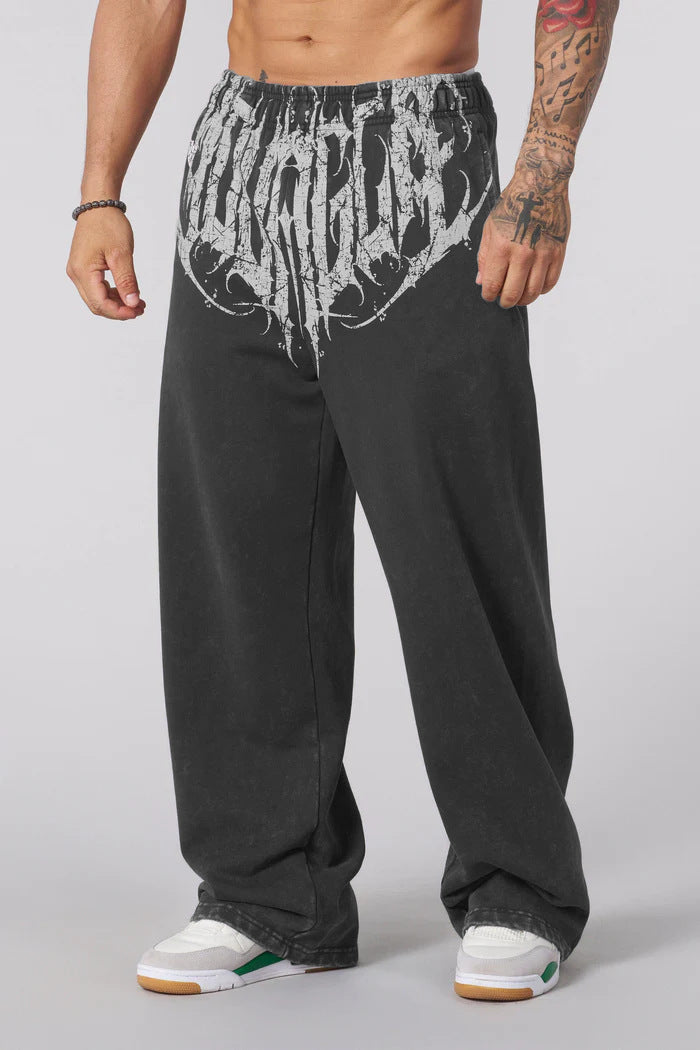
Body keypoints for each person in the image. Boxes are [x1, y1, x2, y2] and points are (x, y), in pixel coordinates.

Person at [66, 0, 619, 1002]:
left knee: (456, 545)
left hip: (418, 146)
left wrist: (544, 168)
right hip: (238, 151)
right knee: (238, 545)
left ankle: (520, 887)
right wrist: (99, 190)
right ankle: (268, 897)